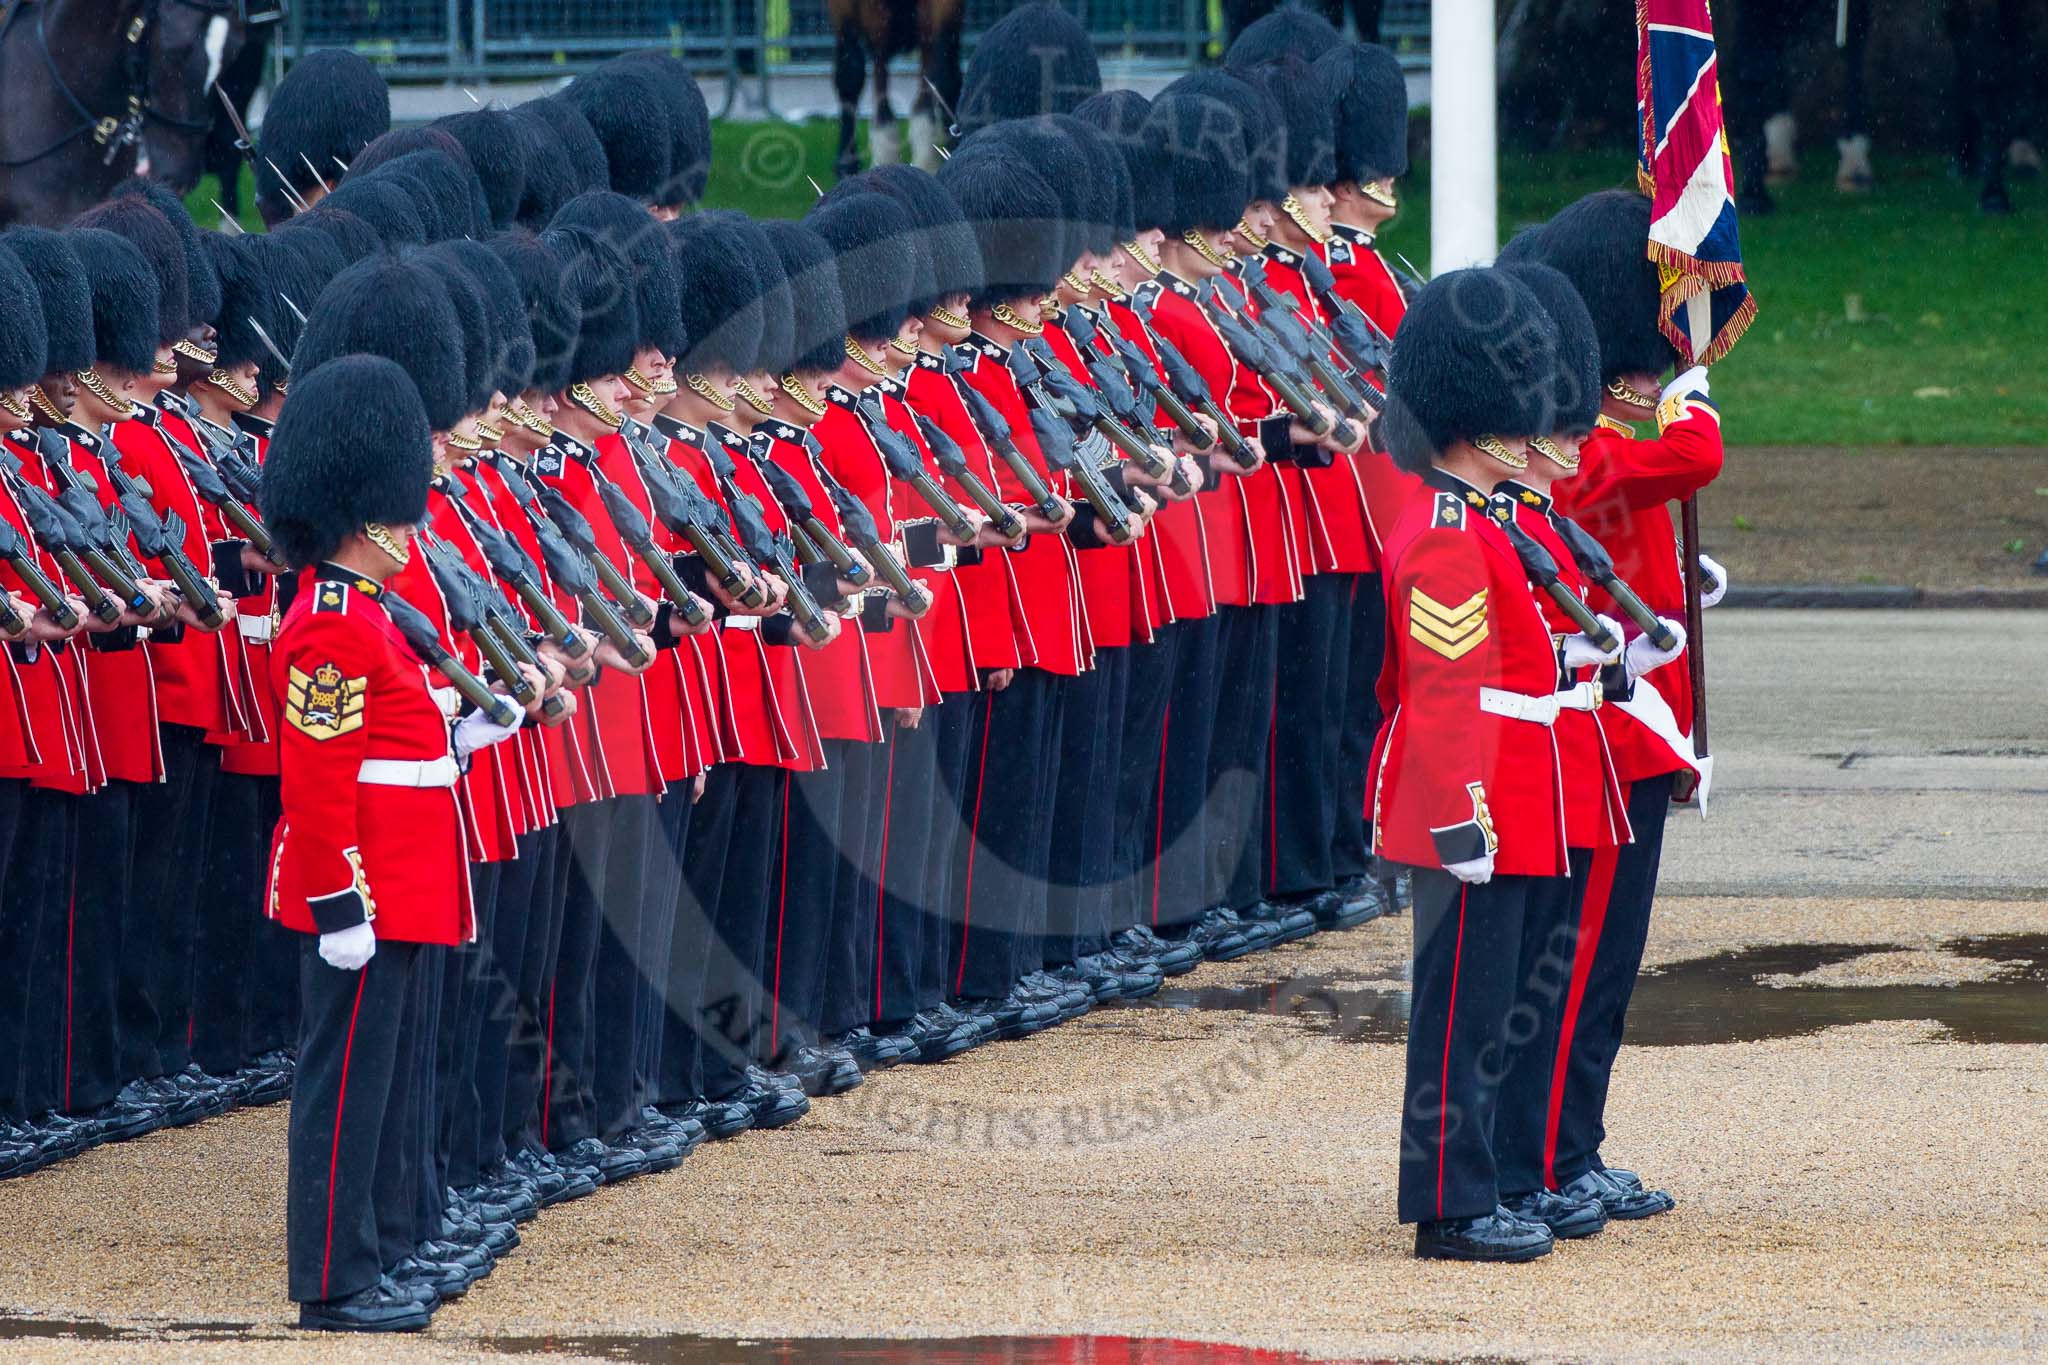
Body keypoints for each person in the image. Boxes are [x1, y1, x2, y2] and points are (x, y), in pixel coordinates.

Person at [260, 351, 520, 1331]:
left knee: (385, 1079)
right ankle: (333, 1281)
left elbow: (393, 747)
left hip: (404, 876)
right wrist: (338, 903)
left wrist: (462, 731)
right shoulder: (331, 624)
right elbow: (321, 785)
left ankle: (379, 1247)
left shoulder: (369, 617)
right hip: (362, 888)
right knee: (344, 1092)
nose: (416, 525)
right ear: (369, 513)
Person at [1499, 190, 1725, 1219]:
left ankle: (1572, 1145)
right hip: (1603, 735)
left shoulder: (1591, 431)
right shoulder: (1573, 442)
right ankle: (1543, 1157)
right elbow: (1688, 458)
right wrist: (1690, 388)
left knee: (1608, 963)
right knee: (1575, 961)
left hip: (1640, 732)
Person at [1368, 266, 1571, 1263]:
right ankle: (1447, 1206)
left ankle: (1477, 1182)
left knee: (1490, 1007)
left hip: (1511, 790)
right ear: (1481, 419)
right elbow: (1444, 695)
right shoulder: (1448, 533)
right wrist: (1459, 814)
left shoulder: (1478, 520)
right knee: (1459, 1014)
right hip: (1472, 803)